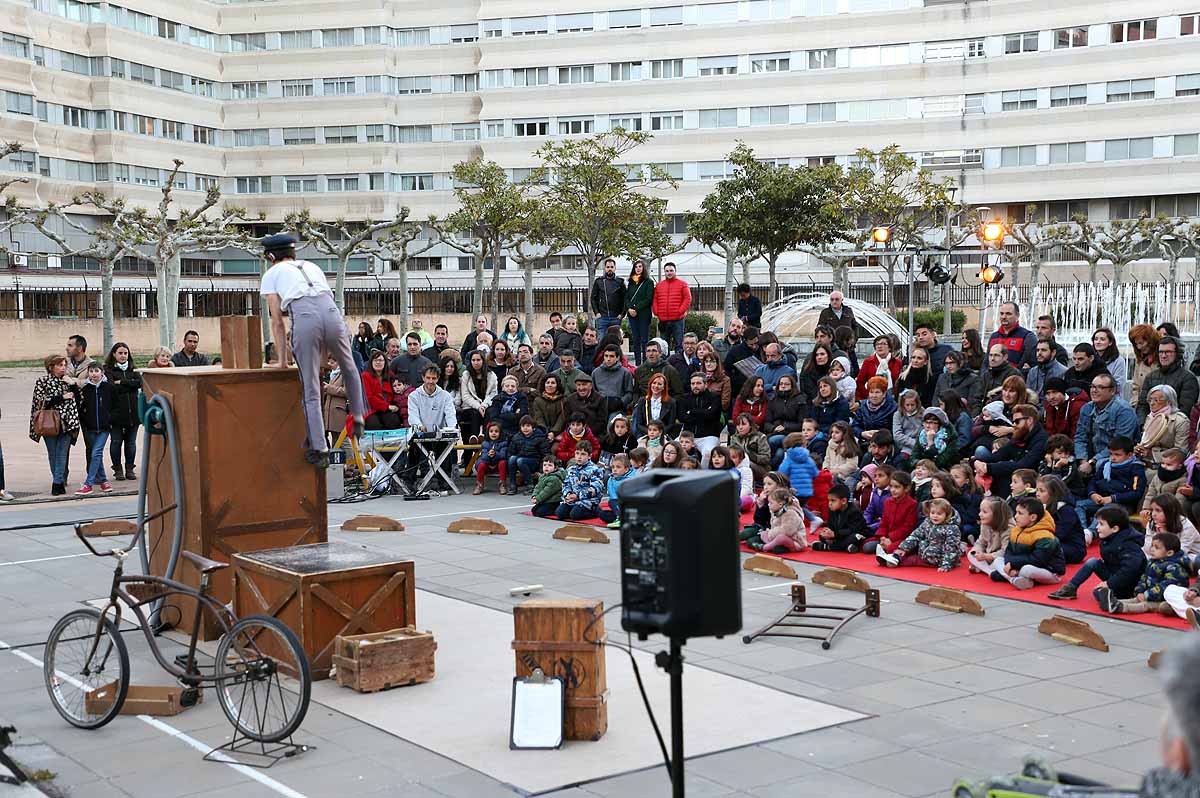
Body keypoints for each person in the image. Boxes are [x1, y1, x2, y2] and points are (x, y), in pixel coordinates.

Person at [260, 233, 366, 467]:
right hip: (331, 313)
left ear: (270, 256)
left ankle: (319, 448)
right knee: (349, 366)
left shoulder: (272, 274)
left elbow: (277, 321)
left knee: (311, 387)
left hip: (304, 315)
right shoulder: (311, 266)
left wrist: (282, 361)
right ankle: (358, 415)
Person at [1050, 504, 1146, 602]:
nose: (1097, 527)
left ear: (1115, 529)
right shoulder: (1108, 539)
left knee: (1098, 593)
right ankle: (1070, 588)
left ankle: (1120, 600)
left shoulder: (1129, 544)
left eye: (1101, 524)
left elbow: (1130, 570)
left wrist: (1109, 583)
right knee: (1093, 562)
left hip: (1131, 583)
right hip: (1116, 576)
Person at [975, 403, 1047, 499]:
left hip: (1031, 482)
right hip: (1016, 477)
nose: (1014, 425)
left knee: (1004, 478)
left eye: (1017, 421)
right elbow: (1000, 454)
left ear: (1030, 420)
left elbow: (1024, 465)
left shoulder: (1041, 439)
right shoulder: (1021, 435)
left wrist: (989, 468)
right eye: (1013, 421)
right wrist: (978, 462)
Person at [991, 498, 1066, 590]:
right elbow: (1008, 552)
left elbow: (1038, 560)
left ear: (1033, 517)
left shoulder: (1045, 536)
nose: (1015, 516)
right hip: (1020, 565)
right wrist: (1010, 564)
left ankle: (1012, 578)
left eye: (1020, 513)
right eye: (1016, 512)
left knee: (1027, 569)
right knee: (997, 560)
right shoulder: (1016, 531)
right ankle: (1017, 579)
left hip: (1049, 570)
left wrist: (1013, 564)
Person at [1074, 373, 1139, 477]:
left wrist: (1092, 462)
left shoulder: (1123, 411)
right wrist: (1082, 460)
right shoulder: (1087, 408)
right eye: (1093, 386)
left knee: (1102, 465)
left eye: (1100, 387)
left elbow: (1121, 444)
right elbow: (1080, 437)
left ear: (1112, 391)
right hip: (1091, 455)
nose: (1094, 390)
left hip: (1116, 455)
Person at [876, 497, 962, 571]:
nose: (935, 516)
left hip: (938, 559)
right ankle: (893, 557)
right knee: (908, 553)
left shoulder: (952, 528)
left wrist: (946, 564)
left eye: (939, 514)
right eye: (932, 513)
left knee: (911, 561)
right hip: (925, 555)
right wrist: (903, 548)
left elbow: (951, 548)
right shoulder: (927, 523)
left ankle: (893, 561)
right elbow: (915, 535)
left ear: (946, 515)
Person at [103, 342, 141, 482]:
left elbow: (139, 383)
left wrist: (122, 383)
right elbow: (112, 387)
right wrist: (129, 383)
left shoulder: (133, 369)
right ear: (114, 354)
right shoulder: (108, 370)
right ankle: (117, 469)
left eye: (125, 353)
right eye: (120, 353)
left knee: (131, 443)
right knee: (116, 442)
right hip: (116, 414)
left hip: (133, 414)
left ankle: (130, 468)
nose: (123, 356)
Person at [1139, 336, 1200, 422]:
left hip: (1175, 429)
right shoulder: (1150, 377)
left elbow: (1185, 411)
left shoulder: (1188, 378)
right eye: (1161, 352)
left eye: (1168, 352)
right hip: (1150, 427)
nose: (1163, 356)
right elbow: (1142, 405)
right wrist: (1143, 425)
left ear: (1177, 354)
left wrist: (1166, 426)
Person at [76, 363, 113, 495]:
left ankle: (88, 484)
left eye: (96, 371)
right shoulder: (86, 389)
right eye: (91, 371)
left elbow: (114, 405)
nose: (94, 374)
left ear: (102, 372)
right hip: (90, 428)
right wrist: (85, 422)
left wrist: (110, 420)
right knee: (97, 455)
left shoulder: (108, 387)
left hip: (104, 428)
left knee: (96, 453)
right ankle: (104, 481)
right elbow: (82, 408)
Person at [1035, 474, 1087, 564]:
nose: (1037, 494)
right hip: (1055, 543)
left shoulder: (1066, 510)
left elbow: (1057, 534)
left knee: (1041, 547)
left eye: (1042, 491)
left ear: (1053, 493)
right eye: (1037, 490)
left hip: (1074, 549)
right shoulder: (1043, 507)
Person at [863, 471, 918, 555]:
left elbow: (907, 528)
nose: (893, 490)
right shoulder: (888, 502)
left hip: (901, 537)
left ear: (906, 488)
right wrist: (882, 537)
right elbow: (884, 522)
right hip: (886, 536)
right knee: (866, 546)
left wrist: (891, 538)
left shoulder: (912, 504)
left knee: (891, 549)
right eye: (891, 486)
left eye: (897, 487)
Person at [1138, 385, 1191, 464]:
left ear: (1169, 402)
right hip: (1145, 461)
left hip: (1167, 465)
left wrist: (1153, 455)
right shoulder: (1150, 417)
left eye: (1156, 400)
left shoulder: (1180, 421)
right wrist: (1139, 449)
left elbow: (1181, 452)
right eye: (1150, 400)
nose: (1152, 403)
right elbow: (1145, 440)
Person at [556, 441, 606, 521]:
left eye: (583, 454)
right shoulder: (571, 469)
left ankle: (596, 510)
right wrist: (568, 494)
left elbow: (595, 489)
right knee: (560, 513)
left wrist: (578, 496)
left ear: (589, 456)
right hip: (573, 499)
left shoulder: (596, 469)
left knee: (575, 515)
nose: (579, 457)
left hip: (588, 500)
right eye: (577, 453)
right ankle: (574, 507)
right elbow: (566, 484)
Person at [811, 483, 869, 552]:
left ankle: (828, 547)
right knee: (821, 536)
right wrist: (827, 532)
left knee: (854, 537)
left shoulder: (854, 511)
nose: (830, 503)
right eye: (829, 500)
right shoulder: (832, 510)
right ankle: (845, 547)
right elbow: (830, 525)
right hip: (838, 536)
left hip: (854, 534)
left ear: (844, 501)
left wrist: (835, 534)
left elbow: (851, 530)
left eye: (833, 500)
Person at [652, 262, 691, 354]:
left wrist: (680, 311)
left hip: (678, 319)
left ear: (675, 271)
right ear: (664, 272)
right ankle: (664, 364)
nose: (669, 273)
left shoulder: (682, 284)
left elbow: (688, 298)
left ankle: (679, 363)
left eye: (671, 270)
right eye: (667, 271)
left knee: (679, 343)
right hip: (663, 320)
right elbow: (655, 299)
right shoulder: (659, 285)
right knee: (664, 344)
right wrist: (656, 311)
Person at [966, 497, 1011, 574]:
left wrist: (986, 556)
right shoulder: (985, 524)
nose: (980, 514)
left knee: (998, 562)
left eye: (984, 512)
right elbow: (980, 542)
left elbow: (1005, 552)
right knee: (971, 554)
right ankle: (990, 571)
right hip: (987, 557)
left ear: (997, 515)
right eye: (980, 511)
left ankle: (987, 570)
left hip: (1000, 559)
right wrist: (977, 551)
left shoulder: (1008, 529)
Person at [459, 350, 497, 442]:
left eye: (478, 360)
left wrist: (483, 405)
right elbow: (465, 396)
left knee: (489, 411)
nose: (476, 362)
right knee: (474, 413)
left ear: (483, 361)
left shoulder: (491, 376)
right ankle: (474, 436)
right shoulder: (466, 375)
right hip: (470, 407)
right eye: (473, 360)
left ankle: (484, 435)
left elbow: (493, 394)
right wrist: (478, 406)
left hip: (486, 406)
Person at [407, 365, 458, 433]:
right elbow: (413, 416)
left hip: (440, 434)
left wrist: (452, 429)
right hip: (420, 433)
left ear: (438, 378)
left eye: (433, 378)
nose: (430, 381)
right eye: (428, 378)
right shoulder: (413, 396)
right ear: (423, 378)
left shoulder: (446, 396)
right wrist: (419, 426)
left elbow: (450, 415)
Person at [624, 259, 655, 365]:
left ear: (644, 268)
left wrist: (636, 308)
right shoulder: (631, 282)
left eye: (640, 266)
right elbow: (627, 298)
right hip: (632, 315)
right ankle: (637, 363)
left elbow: (648, 299)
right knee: (636, 339)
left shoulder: (648, 282)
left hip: (643, 315)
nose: (638, 268)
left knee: (644, 340)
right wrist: (629, 308)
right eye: (636, 266)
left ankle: (646, 362)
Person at [988, 301, 1037, 367]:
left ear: (1017, 315)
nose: (1004, 317)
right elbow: (985, 363)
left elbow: (1025, 365)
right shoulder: (994, 336)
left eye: (1008, 314)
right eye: (1002, 313)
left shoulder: (1027, 337)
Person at [590, 345, 636, 415]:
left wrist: (621, 402)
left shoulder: (625, 373)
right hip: (599, 407)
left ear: (617, 358)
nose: (608, 359)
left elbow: (629, 393)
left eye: (611, 356)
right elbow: (593, 391)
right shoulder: (595, 373)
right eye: (606, 356)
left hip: (618, 408)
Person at [362, 351, 403, 430]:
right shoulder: (365, 376)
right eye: (375, 360)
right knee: (373, 424)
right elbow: (369, 398)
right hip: (371, 408)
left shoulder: (390, 375)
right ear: (371, 362)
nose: (378, 362)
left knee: (394, 422)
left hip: (387, 408)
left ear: (385, 362)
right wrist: (387, 406)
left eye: (380, 360)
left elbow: (396, 390)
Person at [976, 344, 1021, 413]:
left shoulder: (1014, 374)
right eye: (990, 355)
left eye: (996, 355)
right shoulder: (986, 375)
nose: (992, 359)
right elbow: (977, 397)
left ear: (1005, 357)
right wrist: (975, 415)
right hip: (984, 413)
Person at [852, 376, 897, 443]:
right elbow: (854, 426)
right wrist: (862, 433)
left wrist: (879, 434)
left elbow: (895, 430)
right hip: (864, 441)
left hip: (885, 442)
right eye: (871, 392)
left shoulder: (893, 407)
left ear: (884, 393)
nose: (874, 396)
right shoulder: (863, 406)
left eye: (877, 392)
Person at [485, 375, 530, 441]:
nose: (510, 388)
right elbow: (494, 418)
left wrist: (502, 415)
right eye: (507, 386)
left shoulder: (522, 398)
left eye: (513, 386)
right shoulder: (497, 399)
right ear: (503, 388)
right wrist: (514, 415)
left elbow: (523, 416)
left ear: (516, 388)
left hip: (517, 429)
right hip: (500, 430)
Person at [1127, 323, 1161, 410]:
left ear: (1151, 340)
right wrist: (1134, 405)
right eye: (1136, 344)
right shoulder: (1140, 361)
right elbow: (1136, 386)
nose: (1139, 347)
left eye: (1141, 343)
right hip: (1142, 407)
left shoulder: (1162, 358)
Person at [591, 257, 626, 338]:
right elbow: (593, 298)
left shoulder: (620, 282)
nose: (609, 269)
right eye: (608, 267)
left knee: (615, 341)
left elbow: (625, 299)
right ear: (605, 268)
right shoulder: (598, 281)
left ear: (615, 268)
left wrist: (622, 314)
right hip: (602, 317)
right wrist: (597, 313)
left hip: (616, 317)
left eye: (611, 267)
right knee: (601, 342)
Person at [598, 453, 636, 528]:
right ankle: (622, 519)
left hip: (628, 505)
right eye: (613, 467)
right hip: (617, 504)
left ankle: (620, 519)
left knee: (612, 502)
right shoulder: (611, 480)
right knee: (603, 514)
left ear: (626, 469)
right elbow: (612, 495)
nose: (614, 469)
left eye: (618, 467)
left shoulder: (631, 479)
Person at [565, 375, 608, 439]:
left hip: (594, 434)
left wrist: (586, 434)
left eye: (584, 384)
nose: (581, 388)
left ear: (590, 386)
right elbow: (567, 419)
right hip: (574, 434)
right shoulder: (570, 399)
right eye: (578, 385)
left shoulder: (600, 399)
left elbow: (602, 422)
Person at [473, 421, 509, 495]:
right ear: (488, 433)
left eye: (496, 431)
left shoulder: (504, 443)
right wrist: (489, 455)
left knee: (502, 462)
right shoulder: (485, 443)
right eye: (491, 431)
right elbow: (483, 457)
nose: (494, 433)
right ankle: (479, 484)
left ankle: (502, 484)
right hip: (488, 464)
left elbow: (503, 455)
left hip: (497, 465)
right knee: (481, 464)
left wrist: (495, 454)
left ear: (500, 433)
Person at [1091, 326, 1127, 398]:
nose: (1098, 342)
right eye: (1096, 339)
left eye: (1102, 339)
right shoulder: (1091, 359)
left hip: (1112, 400)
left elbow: (1118, 385)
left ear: (1110, 342)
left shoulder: (1118, 361)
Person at [322, 354, 349, 445]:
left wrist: (328, 388)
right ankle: (336, 459)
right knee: (336, 439)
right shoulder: (332, 375)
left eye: (332, 362)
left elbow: (347, 391)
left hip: (340, 411)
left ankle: (350, 459)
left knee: (343, 441)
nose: (330, 364)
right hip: (331, 412)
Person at [531, 374, 567, 442]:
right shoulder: (537, 400)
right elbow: (539, 418)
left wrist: (553, 433)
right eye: (547, 383)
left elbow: (561, 419)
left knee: (555, 449)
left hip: (559, 434)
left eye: (553, 383)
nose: (550, 385)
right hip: (542, 433)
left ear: (557, 385)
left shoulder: (563, 400)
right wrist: (546, 433)